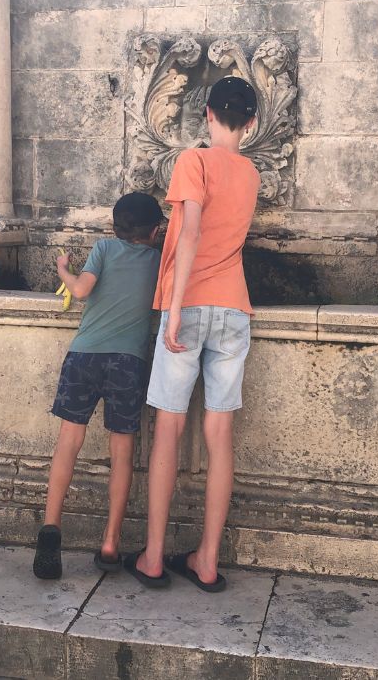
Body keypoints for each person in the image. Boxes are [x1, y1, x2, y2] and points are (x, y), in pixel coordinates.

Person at [127, 76, 260, 593]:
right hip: (235, 310)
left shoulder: (194, 161)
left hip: (191, 305)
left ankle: (155, 557)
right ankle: (206, 560)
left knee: (169, 429)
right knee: (220, 436)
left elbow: (192, 232)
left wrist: (176, 306)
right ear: (249, 122)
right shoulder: (250, 174)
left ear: (207, 114)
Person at [33, 192, 165, 580]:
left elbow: (81, 291)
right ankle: (110, 543)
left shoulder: (104, 248)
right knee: (122, 452)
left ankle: (51, 527)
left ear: (115, 227)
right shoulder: (159, 262)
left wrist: (63, 269)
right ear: (155, 231)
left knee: (68, 442)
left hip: (85, 356)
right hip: (129, 362)